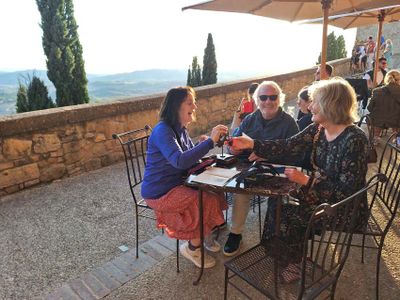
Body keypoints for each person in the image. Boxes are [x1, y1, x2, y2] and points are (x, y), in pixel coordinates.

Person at [229, 78, 369, 274]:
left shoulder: (355, 139)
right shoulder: (318, 128)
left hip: (343, 208)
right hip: (320, 192)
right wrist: (252, 144)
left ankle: (293, 262)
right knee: (277, 203)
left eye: (315, 102)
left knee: (287, 213)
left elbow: (348, 192)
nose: (310, 106)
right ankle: (286, 257)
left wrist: (307, 181)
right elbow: (288, 145)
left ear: (331, 105)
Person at [141, 86, 228, 269]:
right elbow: (179, 161)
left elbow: (188, 156)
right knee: (204, 200)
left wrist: (200, 145)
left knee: (214, 191)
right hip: (160, 193)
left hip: (176, 183)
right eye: (190, 103)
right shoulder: (163, 130)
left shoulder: (180, 128)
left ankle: (204, 236)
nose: (195, 107)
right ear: (175, 107)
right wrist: (211, 142)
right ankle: (191, 248)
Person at [223, 81, 299, 256]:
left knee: (278, 200)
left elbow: (296, 154)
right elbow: (234, 140)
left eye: (273, 97)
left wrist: (268, 155)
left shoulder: (289, 123)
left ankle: (275, 239)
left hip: (278, 171)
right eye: (263, 97)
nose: (268, 101)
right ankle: (235, 233)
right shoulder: (250, 119)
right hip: (251, 168)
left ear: (280, 99)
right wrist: (232, 148)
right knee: (240, 188)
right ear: (257, 100)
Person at [368, 70, 400, 141]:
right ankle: (397, 140)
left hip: (378, 121)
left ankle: (375, 138)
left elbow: (369, 108)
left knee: (377, 118)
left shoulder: (376, 91)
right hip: (396, 121)